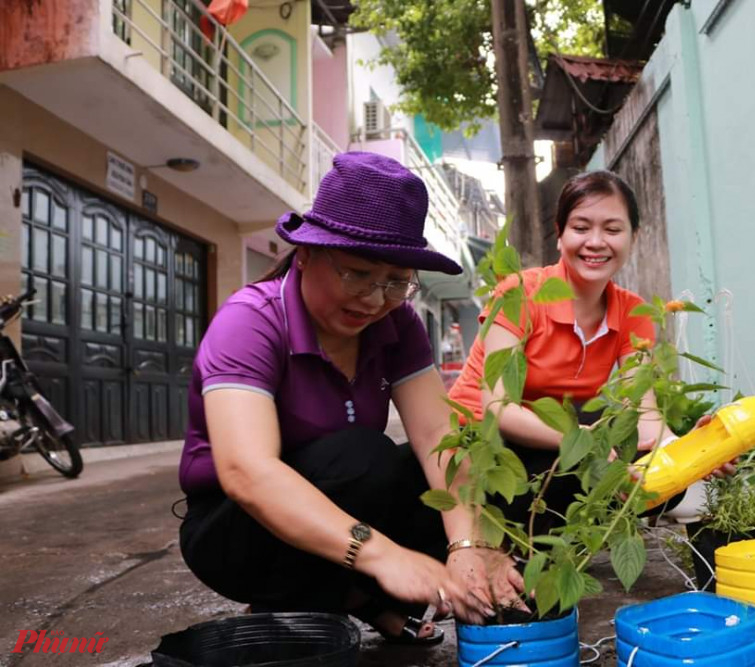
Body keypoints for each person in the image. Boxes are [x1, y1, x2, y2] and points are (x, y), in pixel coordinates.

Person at [178, 152, 521, 646]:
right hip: (233, 530)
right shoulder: (250, 321)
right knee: (363, 457)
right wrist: (382, 554)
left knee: (458, 484)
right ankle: (290, 605)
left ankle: (356, 600)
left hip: (338, 502)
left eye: (396, 282)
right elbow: (246, 472)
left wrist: (470, 543)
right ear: (306, 254)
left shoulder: (397, 323)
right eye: (358, 274)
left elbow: (436, 434)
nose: (375, 298)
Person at [448, 171, 725, 530]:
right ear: (560, 234)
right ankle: (508, 540)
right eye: (581, 228)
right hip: (479, 444)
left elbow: (644, 415)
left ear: (633, 237)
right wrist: (583, 440)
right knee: (585, 462)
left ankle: (538, 540)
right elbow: (498, 409)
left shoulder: (632, 312)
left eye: (612, 230)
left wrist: (691, 449)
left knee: (658, 481)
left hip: (550, 443)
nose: (596, 242)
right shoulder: (519, 293)